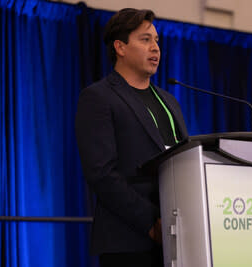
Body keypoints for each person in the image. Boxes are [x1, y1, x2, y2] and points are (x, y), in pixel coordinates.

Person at [75, 8, 188, 267]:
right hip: (128, 241)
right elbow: (101, 173)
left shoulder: (169, 100)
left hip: (178, 239)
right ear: (120, 47)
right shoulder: (98, 97)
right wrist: (151, 222)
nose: (155, 48)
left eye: (157, 41)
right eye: (145, 39)